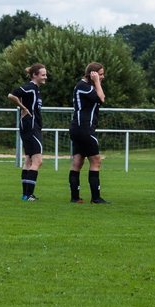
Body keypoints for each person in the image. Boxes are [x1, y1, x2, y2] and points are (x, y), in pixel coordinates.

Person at [8, 63, 47, 201]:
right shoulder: (30, 88)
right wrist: (23, 107)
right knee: (38, 160)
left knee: (29, 159)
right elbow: (11, 95)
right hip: (30, 127)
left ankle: (25, 195)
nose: (45, 77)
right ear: (34, 75)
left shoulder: (35, 90)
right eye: (43, 75)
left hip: (30, 126)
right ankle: (29, 195)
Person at [69, 62, 108, 204]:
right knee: (96, 161)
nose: (103, 77)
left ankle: (75, 197)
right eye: (101, 74)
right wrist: (97, 81)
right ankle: (96, 198)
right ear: (93, 73)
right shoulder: (83, 86)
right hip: (84, 129)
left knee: (77, 162)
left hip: (79, 128)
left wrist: (96, 82)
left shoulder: (86, 86)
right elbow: (101, 98)